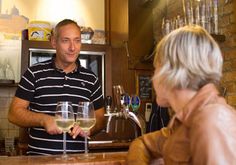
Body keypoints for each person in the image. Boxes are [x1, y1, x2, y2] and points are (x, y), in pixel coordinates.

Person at [127, 25, 236, 164]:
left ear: (170, 71)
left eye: (156, 69)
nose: (152, 78)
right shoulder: (186, 121)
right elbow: (142, 144)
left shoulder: (211, 122)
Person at [8, 19, 106, 155]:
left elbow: (100, 118)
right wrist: (44, 120)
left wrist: (90, 128)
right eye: (66, 40)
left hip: (78, 161)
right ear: (54, 42)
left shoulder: (91, 79)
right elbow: (13, 114)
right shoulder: (34, 73)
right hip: (40, 161)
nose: (73, 47)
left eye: (77, 40)